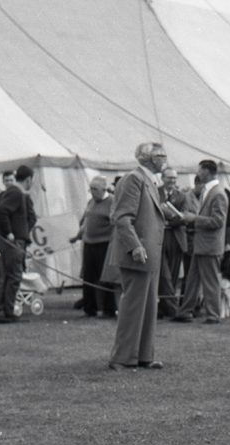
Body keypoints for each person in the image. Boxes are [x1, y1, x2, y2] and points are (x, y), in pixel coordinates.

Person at [104, 142, 169, 370]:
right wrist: (135, 246)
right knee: (133, 306)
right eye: (161, 155)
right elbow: (122, 217)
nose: (165, 158)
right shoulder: (134, 179)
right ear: (148, 158)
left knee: (149, 306)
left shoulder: (149, 180)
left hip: (149, 253)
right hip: (138, 252)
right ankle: (122, 357)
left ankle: (143, 356)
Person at [174, 160, 228, 324]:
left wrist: (194, 218)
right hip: (202, 244)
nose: (197, 174)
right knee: (192, 281)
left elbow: (218, 221)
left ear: (207, 171)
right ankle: (185, 311)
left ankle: (213, 314)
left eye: (199, 170)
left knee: (210, 281)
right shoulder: (209, 191)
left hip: (209, 245)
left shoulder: (217, 193)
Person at [0, 166, 35, 323]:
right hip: (12, 242)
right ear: (28, 179)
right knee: (13, 276)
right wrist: (9, 232)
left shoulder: (14, 192)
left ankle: (1, 310)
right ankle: (2, 310)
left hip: (10, 241)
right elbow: (1, 211)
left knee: (7, 276)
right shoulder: (16, 192)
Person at [69, 176, 117, 319]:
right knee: (88, 277)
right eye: (91, 189)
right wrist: (77, 236)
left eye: (95, 189)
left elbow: (115, 223)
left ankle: (109, 309)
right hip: (89, 244)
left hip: (104, 244)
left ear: (104, 189)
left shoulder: (112, 202)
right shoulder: (91, 202)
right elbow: (86, 222)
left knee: (106, 277)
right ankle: (89, 309)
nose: (92, 192)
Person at [157, 168, 192, 319]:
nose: (172, 181)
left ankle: (163, 307)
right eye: (169, 178)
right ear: (162, 178)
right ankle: (173, 310)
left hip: (176, 238)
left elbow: (183, 217)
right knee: (164, 274)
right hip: (158, 237)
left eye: (174, 178)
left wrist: (168, 218)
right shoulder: (154, 192)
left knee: (173, 274)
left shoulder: (182, 196)